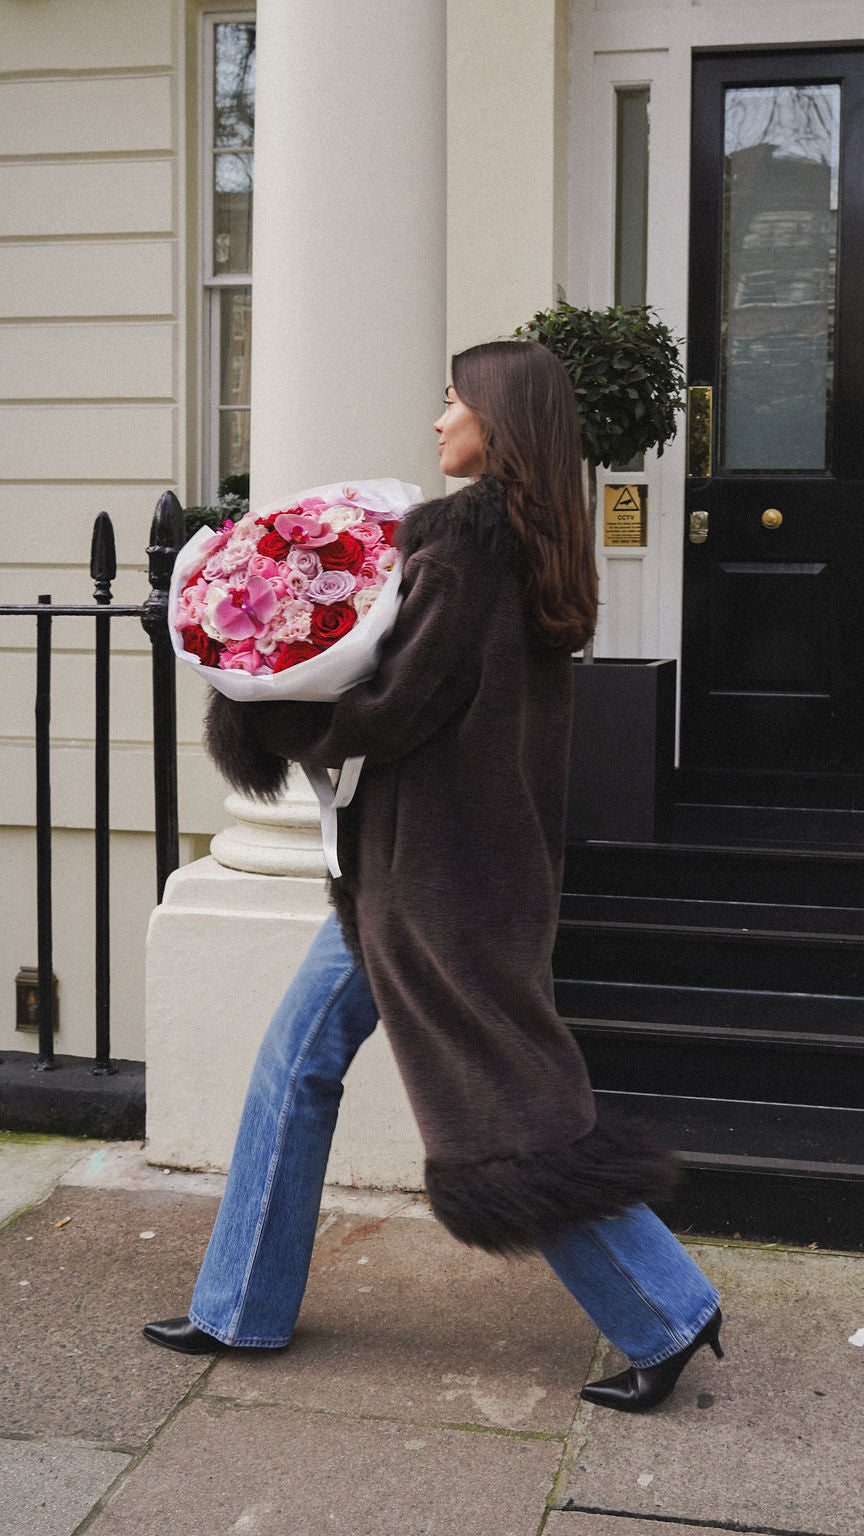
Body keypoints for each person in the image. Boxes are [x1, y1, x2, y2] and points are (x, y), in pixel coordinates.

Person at [145, 340, 723, 1413]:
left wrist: (256, 693)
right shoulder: (538, 545)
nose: (436, 420)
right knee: (297, 1065)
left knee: (502, 1113)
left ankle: (666, 1308)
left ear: (497, 421)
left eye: (451, 401)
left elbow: (394, 708)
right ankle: (240, 1304)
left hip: (429, 881)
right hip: (449, 868)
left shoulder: (461, 550)